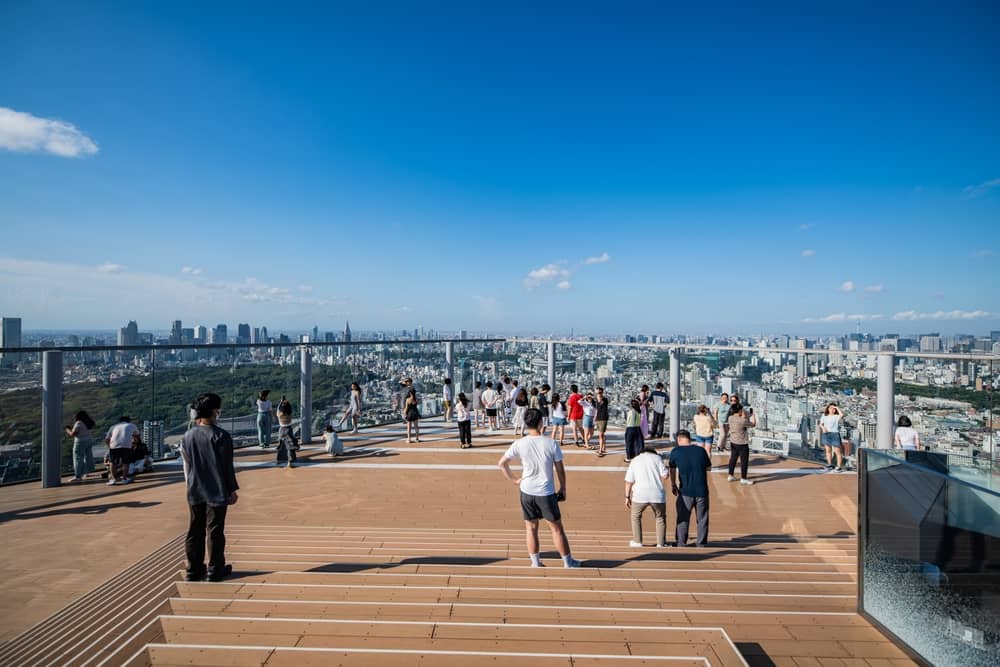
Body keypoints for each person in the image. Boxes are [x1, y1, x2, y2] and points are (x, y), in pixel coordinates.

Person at [498, 408, 581, 568]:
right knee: (556, 529)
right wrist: (563, 488)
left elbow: (502, 463)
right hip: (545, 492)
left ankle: (535, 562)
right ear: (541, 422)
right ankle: (568, 562)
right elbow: (560, 469)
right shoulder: (551, 443)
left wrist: (515, 480)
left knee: (531, 528)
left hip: (526, 490)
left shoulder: (519, 443)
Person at [180, 392, 238, 582]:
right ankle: (215, 568)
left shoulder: (188, 436)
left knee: (194, 529)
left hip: (195, 489)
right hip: (217, 490)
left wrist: (189, 486)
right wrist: (231, 489)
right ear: (215, 411)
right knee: (214, 530)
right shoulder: (221, 436)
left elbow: (187, 465)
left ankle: (194, 569)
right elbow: (226, 467)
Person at [669, 430, 712, 547]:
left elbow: (672, 469)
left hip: (685, 491)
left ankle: (681, 542)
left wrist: (673, 484)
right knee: (702, 518)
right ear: (690, 438)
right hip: (702, 490)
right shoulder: (700, 450)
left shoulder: (675, 452)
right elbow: (709, 467)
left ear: (679, 439)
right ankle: (701, 543)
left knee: (683, 517)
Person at [624, 446, 669, 548]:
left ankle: (637, 541)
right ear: (653, 452)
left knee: (636, 516)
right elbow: (665, 476)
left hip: (640, 494)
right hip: (657, 494)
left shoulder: (635, 460)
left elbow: (629, 481)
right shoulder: (657, 459)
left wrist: (627, 497)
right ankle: (661, 543)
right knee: (660, 517)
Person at [104, 416, 140, 485]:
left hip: (114, 445)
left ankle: (113, 479)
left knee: (112, 462)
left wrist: (110, 447)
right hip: (126, 445)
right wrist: (135, 442)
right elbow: (137, 435)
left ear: (120, 421)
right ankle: (124, 479)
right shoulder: (132, 425)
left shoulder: (113, 426)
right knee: (126, 462)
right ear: (128, 421)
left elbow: (107, 439)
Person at [727, 403, 756, 484]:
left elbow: (740, 421)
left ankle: (730, 475)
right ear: (740, 410)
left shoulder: (730, 418)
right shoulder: (742, 421)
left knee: (733, 459)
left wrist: (743, 415)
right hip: (742, 443)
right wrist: (753, 415)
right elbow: (753, 424)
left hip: (733, 441)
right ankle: (743, 478)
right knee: (744, 461)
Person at [66, 410, 96, 481]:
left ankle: (78, 476)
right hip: (89, 440)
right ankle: (87, 472)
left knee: (78, 458)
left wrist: (68, 430)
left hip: (80, 442)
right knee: (87, 456)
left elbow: (73, 434)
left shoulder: (78, 423)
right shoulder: (88, 422)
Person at [820, 403, 846, 472]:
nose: (832, 409)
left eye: (833, 408)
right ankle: (829, 465)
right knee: (828, 451)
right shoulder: (824, 415)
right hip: (826, 434)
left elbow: (842, 415)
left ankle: (839, 466)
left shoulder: (836, 416)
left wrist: (837, 407)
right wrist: (823, 428)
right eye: (830, 408)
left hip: (835, 434)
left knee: (837, 451)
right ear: (828, 409)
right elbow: (820, 424)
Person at [276, 396, 298, 468]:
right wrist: (287, 403)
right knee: (290, 446)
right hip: (289, 429)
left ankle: (280, 459)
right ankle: (290, 461)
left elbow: (278, 409)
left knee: (281, 445)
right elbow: (289, 408)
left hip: (281, 429)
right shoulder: (290, 414)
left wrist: (280, 402)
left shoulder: (279, 415)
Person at [594, 387, 610, 457]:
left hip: (603, 418)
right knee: (601, 434)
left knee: (600, 435)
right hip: (598, 418)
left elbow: (601, 402)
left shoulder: (605, 400)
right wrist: (595, 417)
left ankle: (600, 450)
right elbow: (597, 409)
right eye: (597, 393)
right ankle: (603, 447)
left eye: (600, 393)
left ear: (602, 393)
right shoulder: (596, 400)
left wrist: (599, 398)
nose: (598, 394)